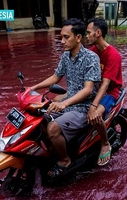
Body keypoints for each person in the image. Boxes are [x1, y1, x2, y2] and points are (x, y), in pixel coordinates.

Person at [30, 18, 101, 177]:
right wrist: (33, 87)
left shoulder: (91, 58)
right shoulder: (66, 56)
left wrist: (64, 103)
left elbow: (88, 89)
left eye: (66, 37)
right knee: (39, 120)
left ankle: (65, 160)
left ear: (78, 37)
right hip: (68, 103)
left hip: (83, 107)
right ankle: (54, 150)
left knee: (52, 128)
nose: (62, 41)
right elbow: (55, 77)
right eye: (61, 37)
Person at [86, 18, 123, 166]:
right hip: (94, 89)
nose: (86, 36)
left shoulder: (113, 55)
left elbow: (106, 83)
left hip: (110, 92)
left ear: (98, 33)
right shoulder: (92, 52)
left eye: (88, 33)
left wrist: (94, 106)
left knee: (95, 116)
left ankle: (105, 142)